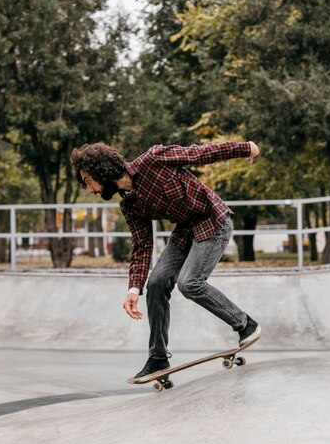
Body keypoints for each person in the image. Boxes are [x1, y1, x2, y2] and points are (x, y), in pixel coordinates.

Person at [70, 141, 261, 379]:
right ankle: (158, 358)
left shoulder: (154, 159)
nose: (91, 190)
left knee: (189, 283)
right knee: (157, 283)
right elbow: (142, 245)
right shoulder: (129, 204)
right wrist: (133, 289)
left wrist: (245, 148)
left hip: (213, 221)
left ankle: (246, 324)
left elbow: (199, 154)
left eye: (88, 181)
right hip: (185, 231)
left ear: (102, 172)